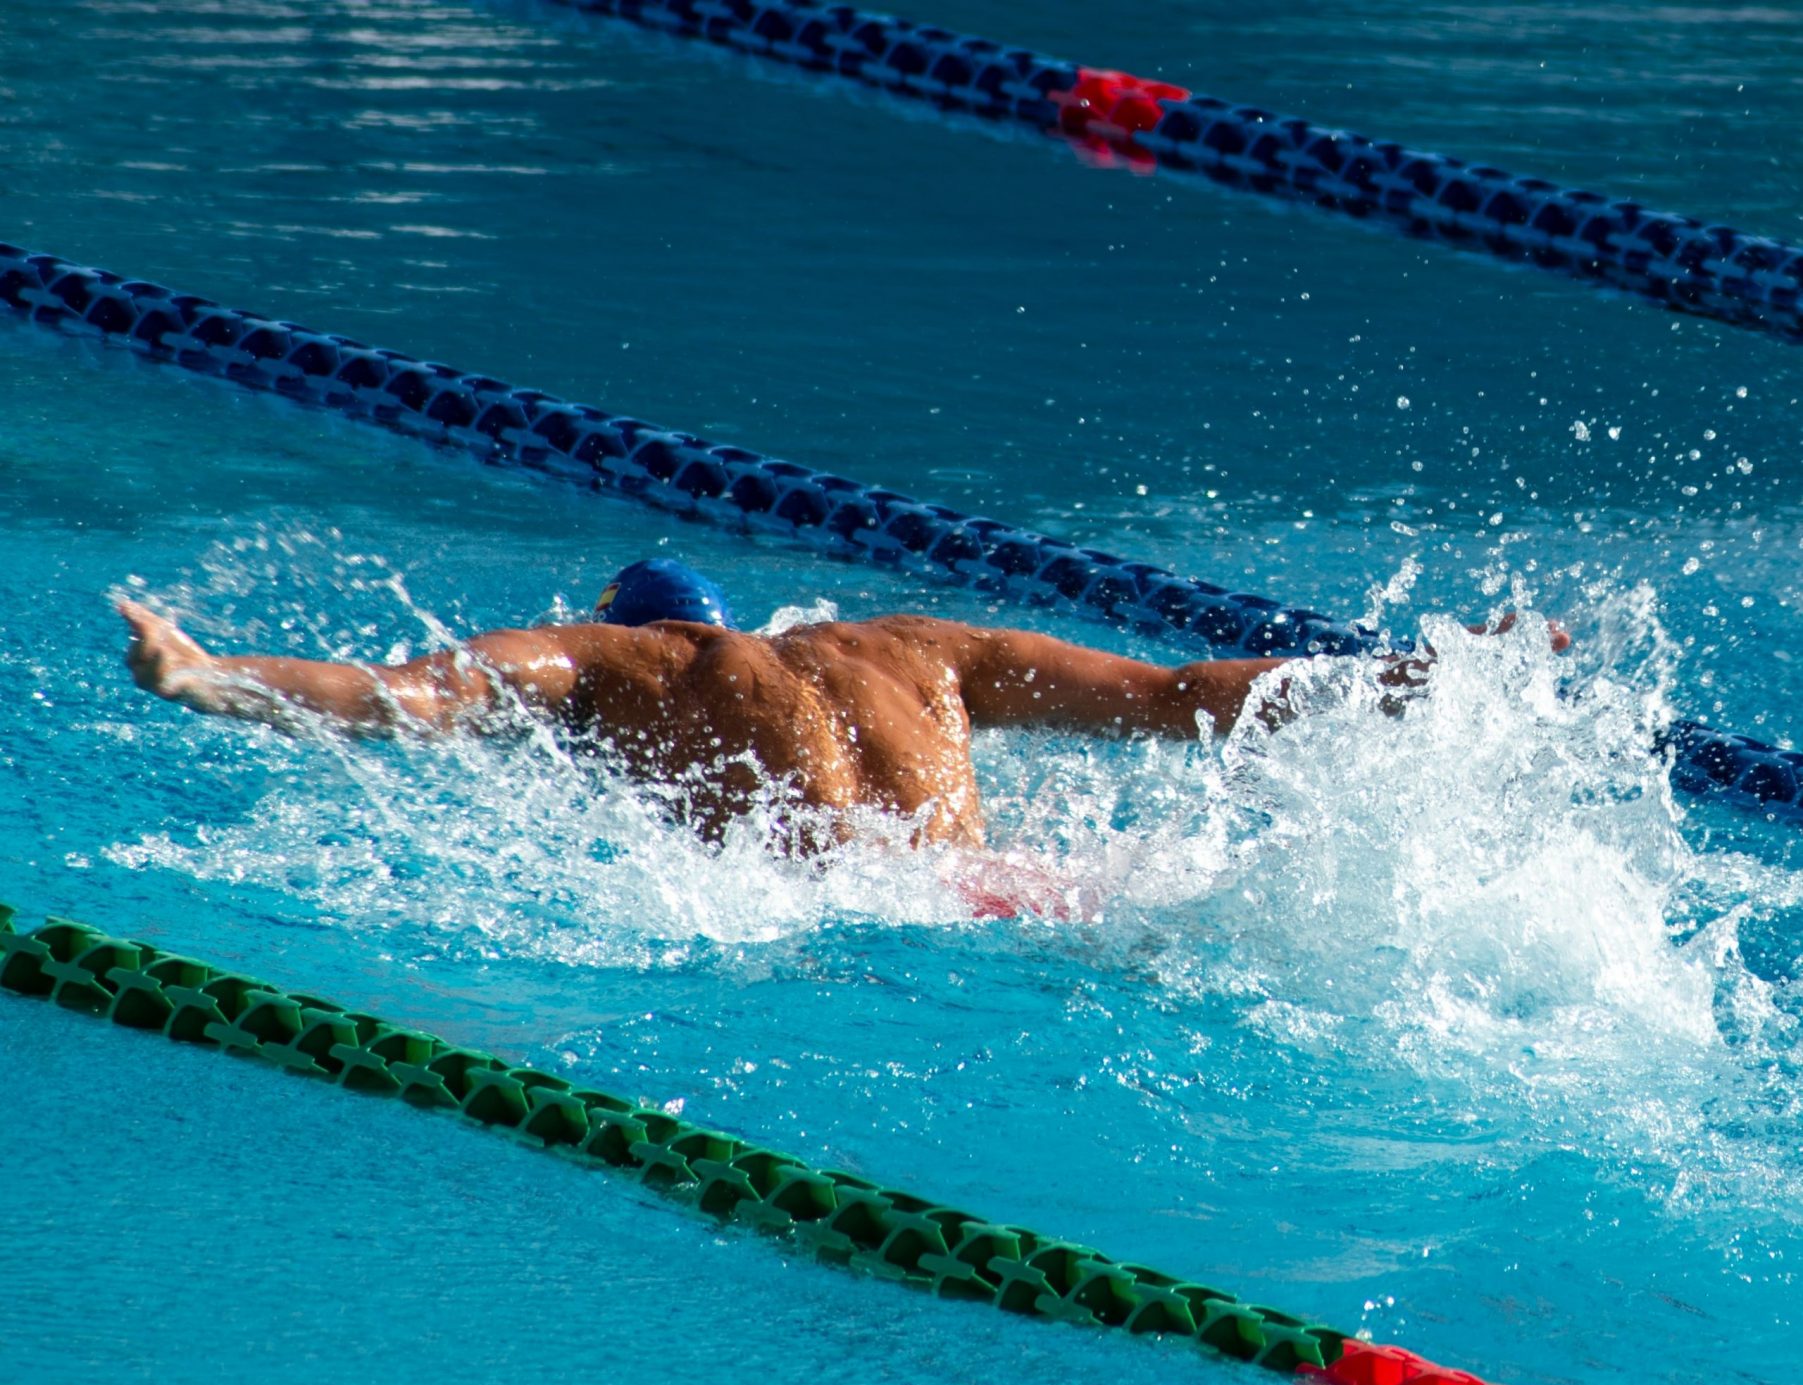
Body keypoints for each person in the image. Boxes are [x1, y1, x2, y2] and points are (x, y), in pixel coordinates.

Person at [118, 556, 1550, 856]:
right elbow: (1192, 697)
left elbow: (404, 699)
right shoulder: (915, 645)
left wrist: (205, 675)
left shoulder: (617, 668)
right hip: (1039, 900)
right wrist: (1417, 680)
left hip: (860, 929)